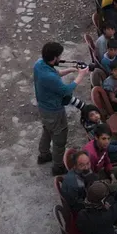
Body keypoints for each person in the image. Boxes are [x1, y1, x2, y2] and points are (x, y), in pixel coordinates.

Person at [34, 41, 87, 174]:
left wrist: (70, 70)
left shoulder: (40, 64)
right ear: (54, 58)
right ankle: (58, 166)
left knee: (47, 130)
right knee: (59, 138)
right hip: (54, 111)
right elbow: (66, 91)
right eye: (59, 56)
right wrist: (81, 75)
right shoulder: (49, 77)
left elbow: (54, 74)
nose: (60, 58)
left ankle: (44, 155)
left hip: (43, 108)